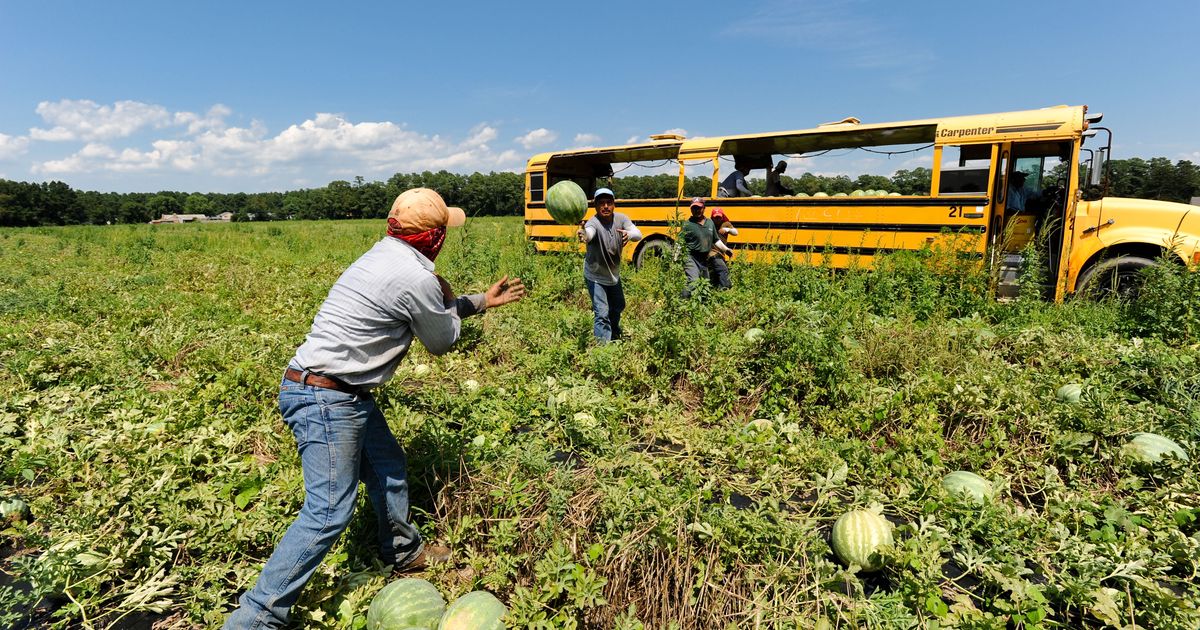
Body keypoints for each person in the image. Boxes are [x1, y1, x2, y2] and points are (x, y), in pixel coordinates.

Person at [225, 188, 526, 629]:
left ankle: (403, 552)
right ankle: (255, 618)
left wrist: (480, 300)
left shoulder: (382, 255)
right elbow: (441, 339)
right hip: (328, 399)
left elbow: (429, 310)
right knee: (328, 511)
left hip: (331, 390)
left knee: (387, 465)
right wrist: (450, 296)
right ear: (436, 238)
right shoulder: (418, 277)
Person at [577, 187, 641, 342]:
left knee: (619, 305)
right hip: (596, 276)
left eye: (608, 202)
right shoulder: (594, 222)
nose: (605, 206)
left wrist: (629, 234)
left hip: (613, 275)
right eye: (601, 203)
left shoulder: (621, 218)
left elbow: (638, 234)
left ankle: (614, 333)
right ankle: (603, 349)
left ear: (613, 205)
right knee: (602, 312)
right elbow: (589, 233)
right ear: (596, 206)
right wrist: (584, 234)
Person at [681, 198, 732, 297]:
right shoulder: (687, 224)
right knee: (693, 281)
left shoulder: (710, 223)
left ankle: (701, 305)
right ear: (691, 209)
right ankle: (682, 304)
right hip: (691, 257)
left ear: (704, 208)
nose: (696, 210)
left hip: (704, 258)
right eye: (694, 208)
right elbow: (680, 242)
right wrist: (675, 258)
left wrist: (726, 249)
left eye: (699, 208)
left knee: (705, 284)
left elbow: (716, 240)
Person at [708, 207, 737, 290]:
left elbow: (735, 232)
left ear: (722, 216)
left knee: (715, 274)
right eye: (715, 217)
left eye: (719, 217)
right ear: (712, 217)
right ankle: (725, 290)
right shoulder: (709, 224)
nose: (717, 219)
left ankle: (715, 290)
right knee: (723, 271)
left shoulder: (725, 224)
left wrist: (727, 229)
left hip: (721, 253)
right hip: (712, 252)